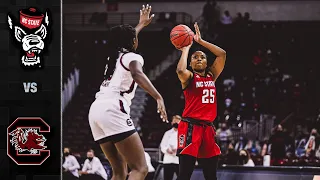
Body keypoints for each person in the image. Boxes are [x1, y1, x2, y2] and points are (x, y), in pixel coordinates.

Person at [88, 4, 168, 180]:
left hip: (96, 110)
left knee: (119, 171)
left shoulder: (113, 56)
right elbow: (137, 73)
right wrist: (158, 96)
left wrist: (140, 26)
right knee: (141, 168)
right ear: (133, 42)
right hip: (113, 108)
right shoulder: (133, 57)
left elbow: (126, 41)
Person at [175, 22, 226, 180]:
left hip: (208, 129)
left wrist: (201, 41)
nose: (199, 59)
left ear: (206, 63)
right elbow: (180, 70)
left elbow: (222, 54)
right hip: (190, 127)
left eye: (202, 57)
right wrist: (186, 49)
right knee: (184, 175)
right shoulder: (189, 77)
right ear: (190, 63)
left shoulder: (211, 75)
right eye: (195, 58)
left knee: (211, 176)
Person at [160, 115, 181, 180]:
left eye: (177, 121)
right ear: (172, 123)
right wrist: (167, 150)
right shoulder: (167, 133)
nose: (176, 123)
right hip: (168, 160)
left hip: (179, 160)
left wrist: (177, 150)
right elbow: (162, 145)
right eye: (174, 121)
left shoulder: (183, 134)